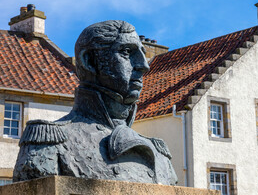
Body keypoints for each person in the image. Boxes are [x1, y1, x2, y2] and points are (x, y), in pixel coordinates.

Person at [13, 20, 178, 185]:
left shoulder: (160, 154)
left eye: (142, 53)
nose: (143, 66)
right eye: (127, 52)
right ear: (89, 61)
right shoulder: (49, 143)